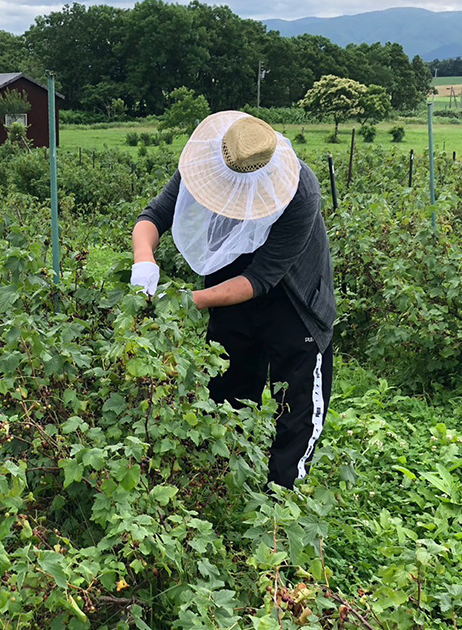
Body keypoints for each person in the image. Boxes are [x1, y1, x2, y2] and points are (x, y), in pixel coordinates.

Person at [130, 110, 335, 490]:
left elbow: (260, 279)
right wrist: (144, 259)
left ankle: (282, 497)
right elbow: (156, 215)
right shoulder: (208, 161)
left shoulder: (300, 190)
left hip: (293, 292)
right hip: (229, 279)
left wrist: (189, 299)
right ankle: (224, 475)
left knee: (298, 403)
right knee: (228, 382)